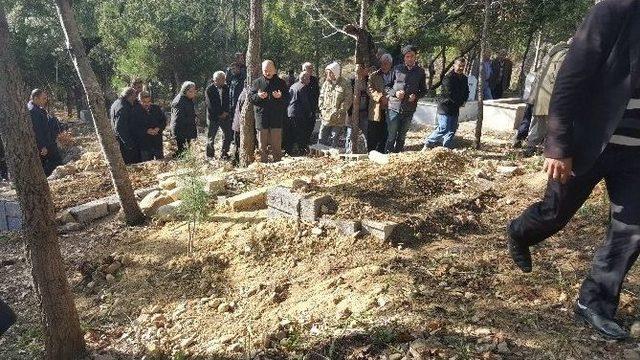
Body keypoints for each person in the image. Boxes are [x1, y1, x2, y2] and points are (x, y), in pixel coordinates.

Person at [507, 0, 640, 340]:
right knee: (555, 213)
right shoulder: (616, 9)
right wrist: (558, 144)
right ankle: (521, 232)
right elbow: (571, 77)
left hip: (635, 154)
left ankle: (594, 302)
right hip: (589, 141)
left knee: (632, 229)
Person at [386, 45, 427, 153]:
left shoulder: (420, 72)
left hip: (409, 109)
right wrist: (395, 93)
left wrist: (416, 96)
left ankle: (398, 157)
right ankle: (388, 156)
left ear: (415, 57)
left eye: (412, 56)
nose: (410, 58)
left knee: (402, 136)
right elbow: (387, 87)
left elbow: (423, 90)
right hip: (394, 108)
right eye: (407, 56)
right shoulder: (396, 69)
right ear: (404, 57)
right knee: (391, 136)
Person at [424, 57, 470, 149]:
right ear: (454, 65)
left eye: (463, 66)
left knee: (452, 129)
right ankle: (429, 142)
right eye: (459, 66)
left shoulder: (464, 78)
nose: (461, 68)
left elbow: (466, 91)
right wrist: (460, 102)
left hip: (455, 108)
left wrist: (464, 100)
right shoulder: (448, 78)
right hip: (445, 107)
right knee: (444, 128)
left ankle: (447, 147)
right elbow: (449, 94)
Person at [249, 60, 288, 162]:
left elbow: (287, 99)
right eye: (265, 70)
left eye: (270, 70)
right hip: (261, 117)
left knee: (276, 144)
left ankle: (277, 163)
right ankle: (263, 163)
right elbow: (251, 98)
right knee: (262, 145)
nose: (267, 72)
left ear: (275, 70)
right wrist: (258, 96)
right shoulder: (257, 82)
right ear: (262, 70)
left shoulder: (281, 83)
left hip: (276, 118)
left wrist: (280, 96)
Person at [28, 89, 63, 175]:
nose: (46, 100)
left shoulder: (36, 108)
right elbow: (37, 130)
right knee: (56, 162)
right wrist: (42, 146)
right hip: (44, 143)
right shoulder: (33, 111)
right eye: (43, 98)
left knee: (52, 162)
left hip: (47, 141)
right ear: (36, 98)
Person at [318, 62, 352, 148]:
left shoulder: (345, 83)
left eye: (330, 72)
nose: (328, 75)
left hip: (338, 118)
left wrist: (339, 110)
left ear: (336, 72)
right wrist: (321, 108)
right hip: (325, 117)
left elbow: (348, 99)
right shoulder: (326, 84)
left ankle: (332, 156)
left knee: (334, 139)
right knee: (322, 138)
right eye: (327, 73)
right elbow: (321, 97)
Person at [366, 53, 393, 153]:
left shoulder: (395, 75)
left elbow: (397, 87)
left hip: (390, 108)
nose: (384, 65)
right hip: (376, 110)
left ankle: (382, 153)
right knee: (373, 133)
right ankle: (371, 153)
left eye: (387, 63)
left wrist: (388, 97)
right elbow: (369, 89)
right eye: (382, 63)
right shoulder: (374, 76)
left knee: (385, 133)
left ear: (390, 64)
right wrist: (380, 97)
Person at [205, 71, 232, 160]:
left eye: (222, 79)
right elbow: (210, 105)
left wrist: (226, 112)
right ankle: (210, 156)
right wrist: (220, 114)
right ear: (214, 79)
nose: (220, 81)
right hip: (213, 117)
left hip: (225, 116)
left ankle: (224, 153)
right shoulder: (209, 89)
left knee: (228, 134)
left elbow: (229, 101)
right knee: (211, 136)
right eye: (217, 79)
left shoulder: (226, 88)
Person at [109, 87, 140, 165]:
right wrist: (129, 144)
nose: (135, 98)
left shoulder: (116, 102)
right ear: (130, 96)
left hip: (121, 139)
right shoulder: (124, 107)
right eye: (134, 96)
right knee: (131, 164)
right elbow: (120, 127)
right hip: (126, 142)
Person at [134, 91, 166, 161]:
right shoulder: (136, 111)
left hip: (157, 142)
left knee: (162, 163)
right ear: (139, 101)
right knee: (147, 166)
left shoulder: (156, 108)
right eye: (144, 102)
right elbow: (134, 127)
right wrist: (146, 131)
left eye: (148, 102)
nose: (147, 104)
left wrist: (159, 128)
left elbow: (163, 121)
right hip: (145, 144)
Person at [286, 72, 312, 156]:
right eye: (308, 78)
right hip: (299, 113)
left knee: (291, 133)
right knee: (300, 133)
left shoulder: (293, 86)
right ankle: (301, 151)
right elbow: (305, 102)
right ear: (304, 78)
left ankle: (289, 150)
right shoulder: (303, 87)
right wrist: (309, 112)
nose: (309, 80)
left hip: (290, 112)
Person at [345, 66, 370, 154]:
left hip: (365, 112)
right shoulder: (351, 81)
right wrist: (349, 113)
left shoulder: (369, 80)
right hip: (352, 113)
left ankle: (369, 152)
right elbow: (347, 99)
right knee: (350, 134)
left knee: (367, 133)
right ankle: (349, 152)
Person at [170, 81, 198, 157]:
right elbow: (178, 119)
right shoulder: (179, 101)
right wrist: (192, 119)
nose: (193, 93)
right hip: (180, 131)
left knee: (186, 151)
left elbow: (189, 112)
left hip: (187, 129)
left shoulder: (188, 99)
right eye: (190, 91)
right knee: (182, 152)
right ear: (185, 91)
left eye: (193, 91)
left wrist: (194, 116)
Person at [302, 62, 320, 151]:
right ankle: (303, 146)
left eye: (312, 68)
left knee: (310, 126)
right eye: (309, 68)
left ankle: (307, 144)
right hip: (302, 109)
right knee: (303, 128)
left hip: (312, 107)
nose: (311, 70)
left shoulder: (314, 80)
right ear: (304, 70)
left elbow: (317, 93)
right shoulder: (300, 79)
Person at [232, 87, 248, 165]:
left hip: (237, 124)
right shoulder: (245, 95)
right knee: (238, 145)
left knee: (237, 144)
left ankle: (236, 161)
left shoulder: (243, 93)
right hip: (239, 125)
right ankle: (237, 162)